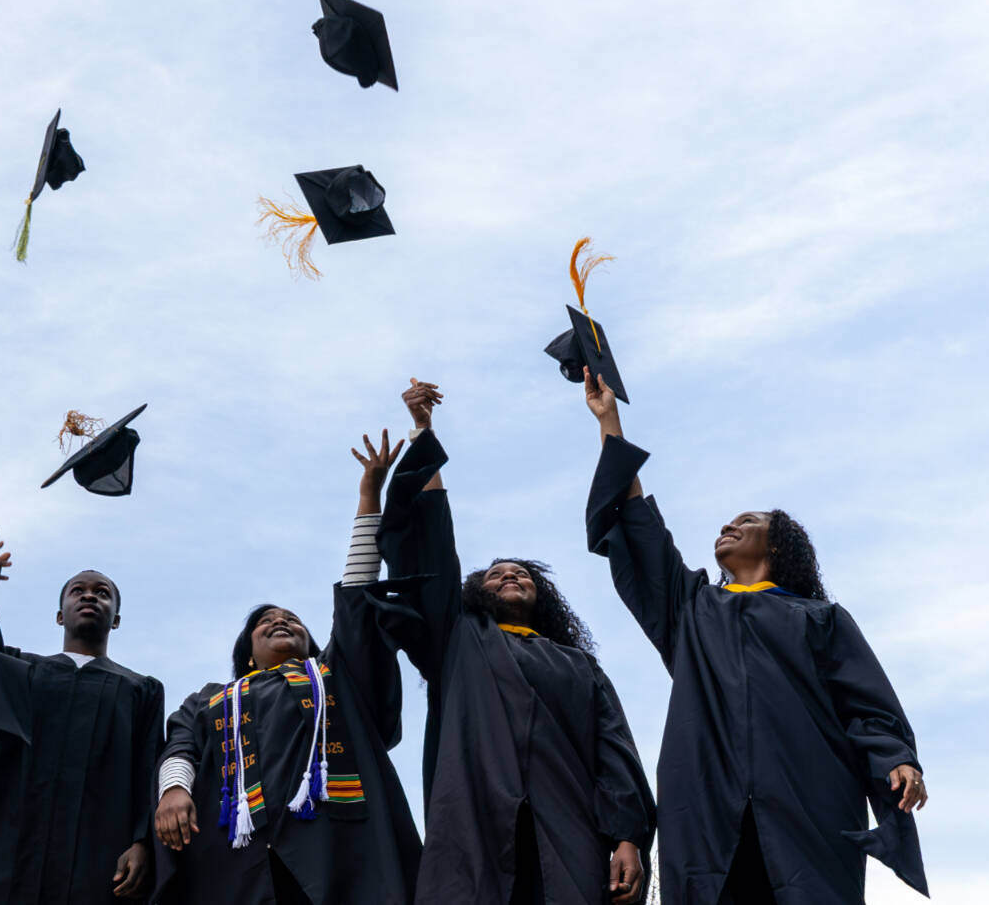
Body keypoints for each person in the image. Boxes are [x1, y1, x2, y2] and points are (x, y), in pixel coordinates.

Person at [579, 367, 928, 904]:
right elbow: (642, 533)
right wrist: (610, 422)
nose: (728, 526)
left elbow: (867, 707)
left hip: (805, 795)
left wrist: (896, 759)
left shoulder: (819, 618)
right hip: (705, 795)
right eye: (726, 522)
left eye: (747, 520)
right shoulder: (692, 607)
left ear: (778, 541)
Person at [374, 379, 653, 905]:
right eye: (496, 573)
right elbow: (433, 549)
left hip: (567, 824)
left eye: (521, 573)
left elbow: (613, 752)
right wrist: (423, 434)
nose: (509, 575)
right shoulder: (458, 641)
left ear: (542, 594)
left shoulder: (577, 665)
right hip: (471, 824)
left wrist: (627, 836)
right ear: (473, 593)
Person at [151, 431, 423, 905]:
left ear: (311, 642)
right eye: (264, 622)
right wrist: (172, 792)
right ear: (248, 653)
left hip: (338, 848)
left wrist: (368, 497)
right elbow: (181, 748)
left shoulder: (335, 676)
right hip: (235, 858)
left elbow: (357, 597)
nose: (279, 619)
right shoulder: (213, 698)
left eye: (291, 619)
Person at [0, 536, 166, 901]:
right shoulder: (22, 671)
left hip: (98, 858)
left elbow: (147, 769)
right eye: (77, 591)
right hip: (10, 849)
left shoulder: (140, 690)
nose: (90, 596)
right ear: (60, 615)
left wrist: (142, 842)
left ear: (117, 620)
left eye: (102, 593)